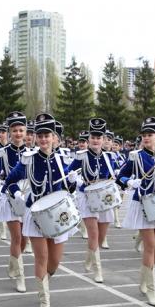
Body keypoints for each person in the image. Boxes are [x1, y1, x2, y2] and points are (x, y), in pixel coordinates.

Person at [3, 114, 75, 307]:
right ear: (35, 138)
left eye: (47, 135)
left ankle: (43, 281)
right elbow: (9, 181)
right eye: (40, 135)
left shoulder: (62, 159)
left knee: (55, 262)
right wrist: (17, 193)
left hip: (58, 215)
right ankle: (44, 300)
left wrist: (73, 180)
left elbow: (68, 188)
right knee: (41, 257)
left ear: (54, 137)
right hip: (35, 214)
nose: (44, 139)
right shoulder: (29, 159)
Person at [116, 117, 155, 306]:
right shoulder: (135, 156)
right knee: (150, 246)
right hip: (143, 204)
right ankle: (152, 289)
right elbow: (120, 176)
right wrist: (129, 182)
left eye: (150, 135)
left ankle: (144, 275)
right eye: (144, 135)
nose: (146, 138)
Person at [67, 118, 117, 282]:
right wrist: (74, 178)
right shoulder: (81, 157)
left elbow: (115, 175)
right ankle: (98, 271)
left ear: (103, 140)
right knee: (93, 234)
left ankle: (89, 259)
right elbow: (67, 173)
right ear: (89, 139)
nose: (96, 140)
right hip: (86, 196)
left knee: (101, 237)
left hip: (104, 197)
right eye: (93, 137)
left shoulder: (109, 157)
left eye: (99, 137)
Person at [0, 112, 28, 292]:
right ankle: (20, 276)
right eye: (15, 130)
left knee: (25, 239)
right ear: (10, 132)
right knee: (17, 237)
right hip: (11, 198)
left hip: (28, 198)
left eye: (21, 130)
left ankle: (13, 262)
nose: (18, 134)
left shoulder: (32, 153)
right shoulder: (3, 153)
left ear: (26, 132)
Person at [0, 123, 10, 241]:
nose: (1, 134)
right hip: (0, 182)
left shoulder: (10, 148)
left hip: (11, 181)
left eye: (3, 132)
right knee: (1, 206)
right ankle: (3, 230)